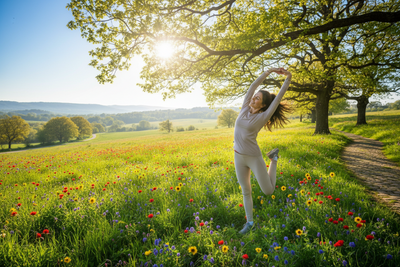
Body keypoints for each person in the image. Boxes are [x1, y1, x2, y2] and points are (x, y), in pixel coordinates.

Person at [234, 67, 292, 235]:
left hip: (253, 156)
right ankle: (250, 223)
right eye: (254, 96)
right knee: (245, 190)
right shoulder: (245, 107)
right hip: (238, 156)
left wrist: (288, 77)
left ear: (263, 105)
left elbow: (279, 97)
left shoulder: (262, 116)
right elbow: (252, 86)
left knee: (268, 191)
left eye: (257, 98)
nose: (253, 98)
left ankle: (273, 159)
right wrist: (267, 72)